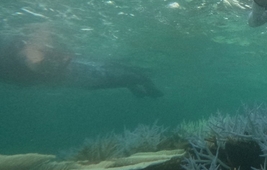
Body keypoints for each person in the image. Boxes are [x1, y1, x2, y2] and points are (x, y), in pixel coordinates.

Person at [0, 33, 163, 98]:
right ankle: (140, 84)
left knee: (111, 75)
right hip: (77, 74)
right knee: (109, 77)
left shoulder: (16, 50)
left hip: (76, 72)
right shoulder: (12, 57)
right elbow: (37, 64)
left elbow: (36, 61)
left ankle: (142, 84)